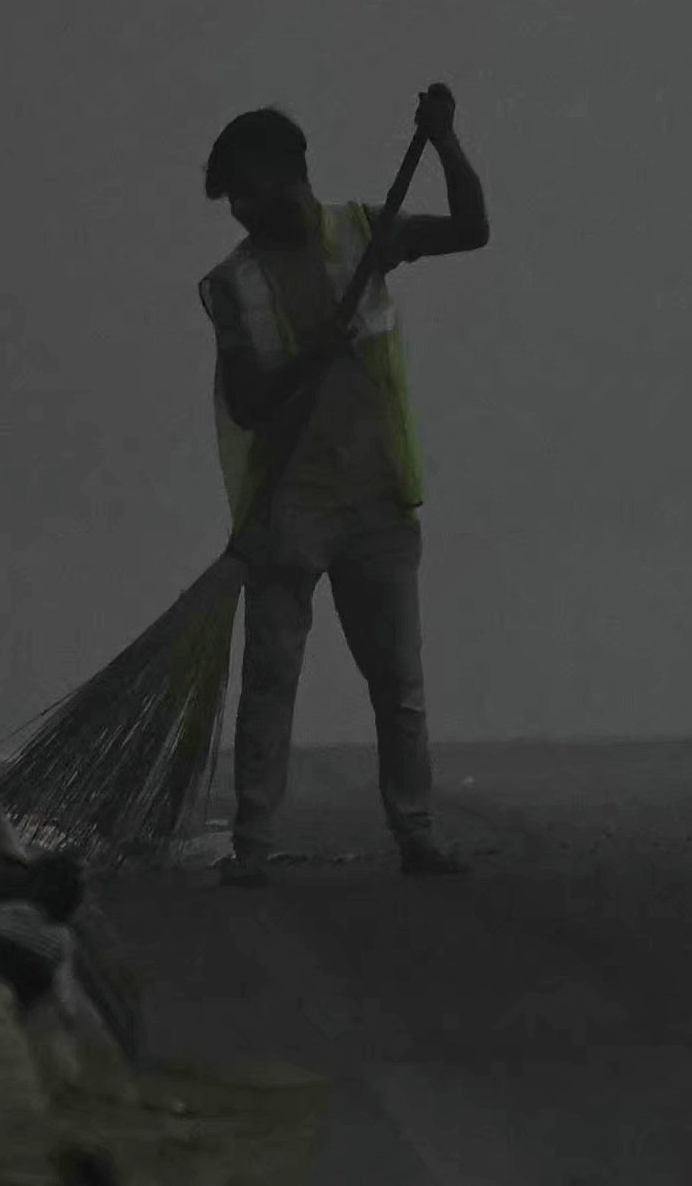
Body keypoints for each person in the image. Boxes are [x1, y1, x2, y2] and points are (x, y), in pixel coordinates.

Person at [201, 82, 489, 886]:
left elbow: (473, 229)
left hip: (378, 497)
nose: (244, 210)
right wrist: (309, 354)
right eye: (233, 199)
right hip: (290, 505)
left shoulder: (364, 232)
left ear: (296, 174)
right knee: (271, 680)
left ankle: (418, 835)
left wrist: (444, 142)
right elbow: (252, 403)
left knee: (398, 681)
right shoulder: (233, 285)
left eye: (253, 190)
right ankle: (251, 845)